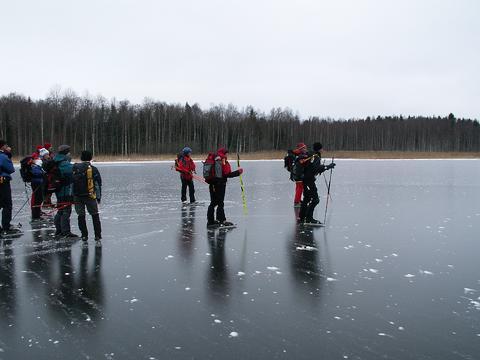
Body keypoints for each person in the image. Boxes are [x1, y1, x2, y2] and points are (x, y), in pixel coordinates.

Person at [298, 142, 335, 225]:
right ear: (319, 149)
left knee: (307, 198)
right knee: (315, 199)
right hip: (308, 180)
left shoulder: (312, 155)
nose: (323, 150)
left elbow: (313, 167)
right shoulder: (315, 156)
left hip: (306, 180)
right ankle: (309, 218)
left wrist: (324, 167)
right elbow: (315, 169)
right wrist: (327, 167)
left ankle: (302, 217)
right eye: (322, 148)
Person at [206, 147, 243, 228]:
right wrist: (238, 172)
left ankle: (211, 221)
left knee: (213, 202)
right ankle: (221, 220)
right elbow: (226, 174)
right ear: (224, 153)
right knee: (220, 203)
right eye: (226, 153)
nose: (227, 154)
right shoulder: (222, 160)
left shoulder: (215, 158)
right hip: (219, 184)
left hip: (212, 183)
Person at [73, 150, 102, 242]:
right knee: (94, 215)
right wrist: (98, 197)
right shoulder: (93, 169)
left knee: (81, 215)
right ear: (90, 158)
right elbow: (97, 184)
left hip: (77, 196)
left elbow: (71, 183)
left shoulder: (75, 168)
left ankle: (84, 235)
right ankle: (97, 235)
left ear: (81, 158)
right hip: (90, 195)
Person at [53, 144, 78, 238]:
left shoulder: (56, 159)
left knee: (60, 209)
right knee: (65, 210)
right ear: (66, 152)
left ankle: (59, 230)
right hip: (65, 189)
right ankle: (65, 231)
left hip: (59, 189)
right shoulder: (63, 162)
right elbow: (71, 171)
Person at [0, 140, 21, 235]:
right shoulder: (3, 156)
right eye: (6, 146)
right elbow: (10, 169)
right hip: (3, 181)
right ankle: (6, 227)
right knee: (7, 205)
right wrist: (8, 154)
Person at [30, 154, 46, 220]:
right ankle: (35, 215)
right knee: (37, 200)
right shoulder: (34, 167)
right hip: (36, 184)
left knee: (39, 199)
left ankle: (37, 213)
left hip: (39, 183)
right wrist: (43, 173)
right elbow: (36, 173)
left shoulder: (37, 166)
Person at [292, 143, 307, 207]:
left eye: (305, 147)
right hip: (299, 175)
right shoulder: (300, 155)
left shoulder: (297, 155)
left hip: (296, 174)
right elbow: (299, 166)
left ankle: (298, 200)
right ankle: (296, 202)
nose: (305, 149)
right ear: (301, 149)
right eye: (304, 148)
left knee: (298, 187)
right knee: (300, 188)